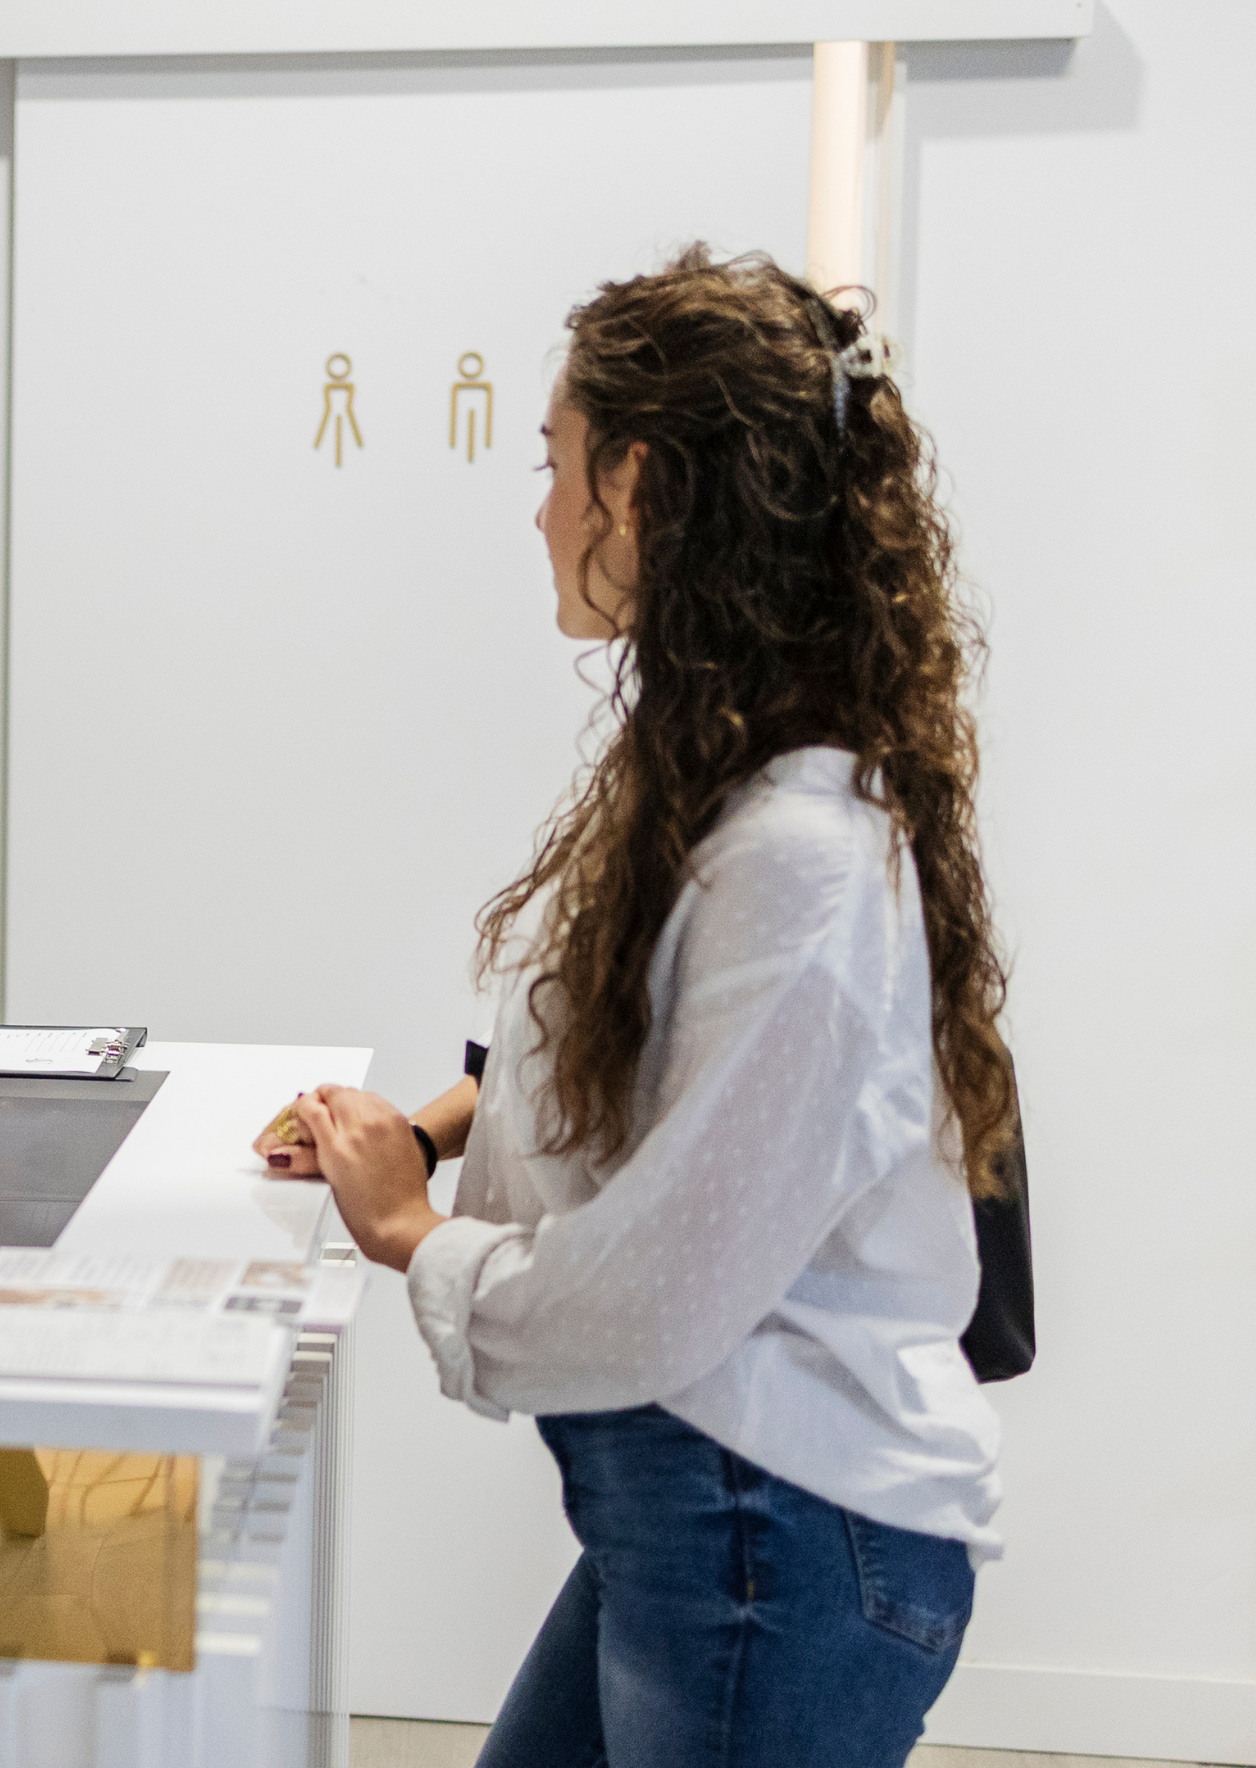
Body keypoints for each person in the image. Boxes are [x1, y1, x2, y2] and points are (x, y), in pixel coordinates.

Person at [259, 249, 1013, 1766]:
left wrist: (415, 1230)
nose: (539, 509)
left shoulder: (800, 854)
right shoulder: (725, 779)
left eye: (554, 465)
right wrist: (423, 1126)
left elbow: (663, 1295)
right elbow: (657, 1066)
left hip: (776, 1537)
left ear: (641, 486)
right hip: (712, 1514)